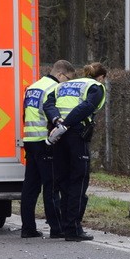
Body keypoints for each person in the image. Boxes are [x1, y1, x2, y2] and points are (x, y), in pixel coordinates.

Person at [45, 62, 108, 241]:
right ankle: (73, 228)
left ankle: (65, 226)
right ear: (101, 77)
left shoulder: (62, 85)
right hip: (76, 133)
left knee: (63, 181)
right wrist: (67, 124)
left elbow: (48, 104)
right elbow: (86, 107)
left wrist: (58, 121)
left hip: (58, 134)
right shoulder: (95, 87)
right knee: (79, 181)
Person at [19, 59, 75, 238]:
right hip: (45, 141)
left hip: (29, 139)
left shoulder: (33, 87)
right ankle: (56, 228)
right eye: (67, 79)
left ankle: (27, 228)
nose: (66, 84)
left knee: (30, 187)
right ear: (60, 74)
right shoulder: (53, 88)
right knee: (51, 187)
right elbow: (52, 115)